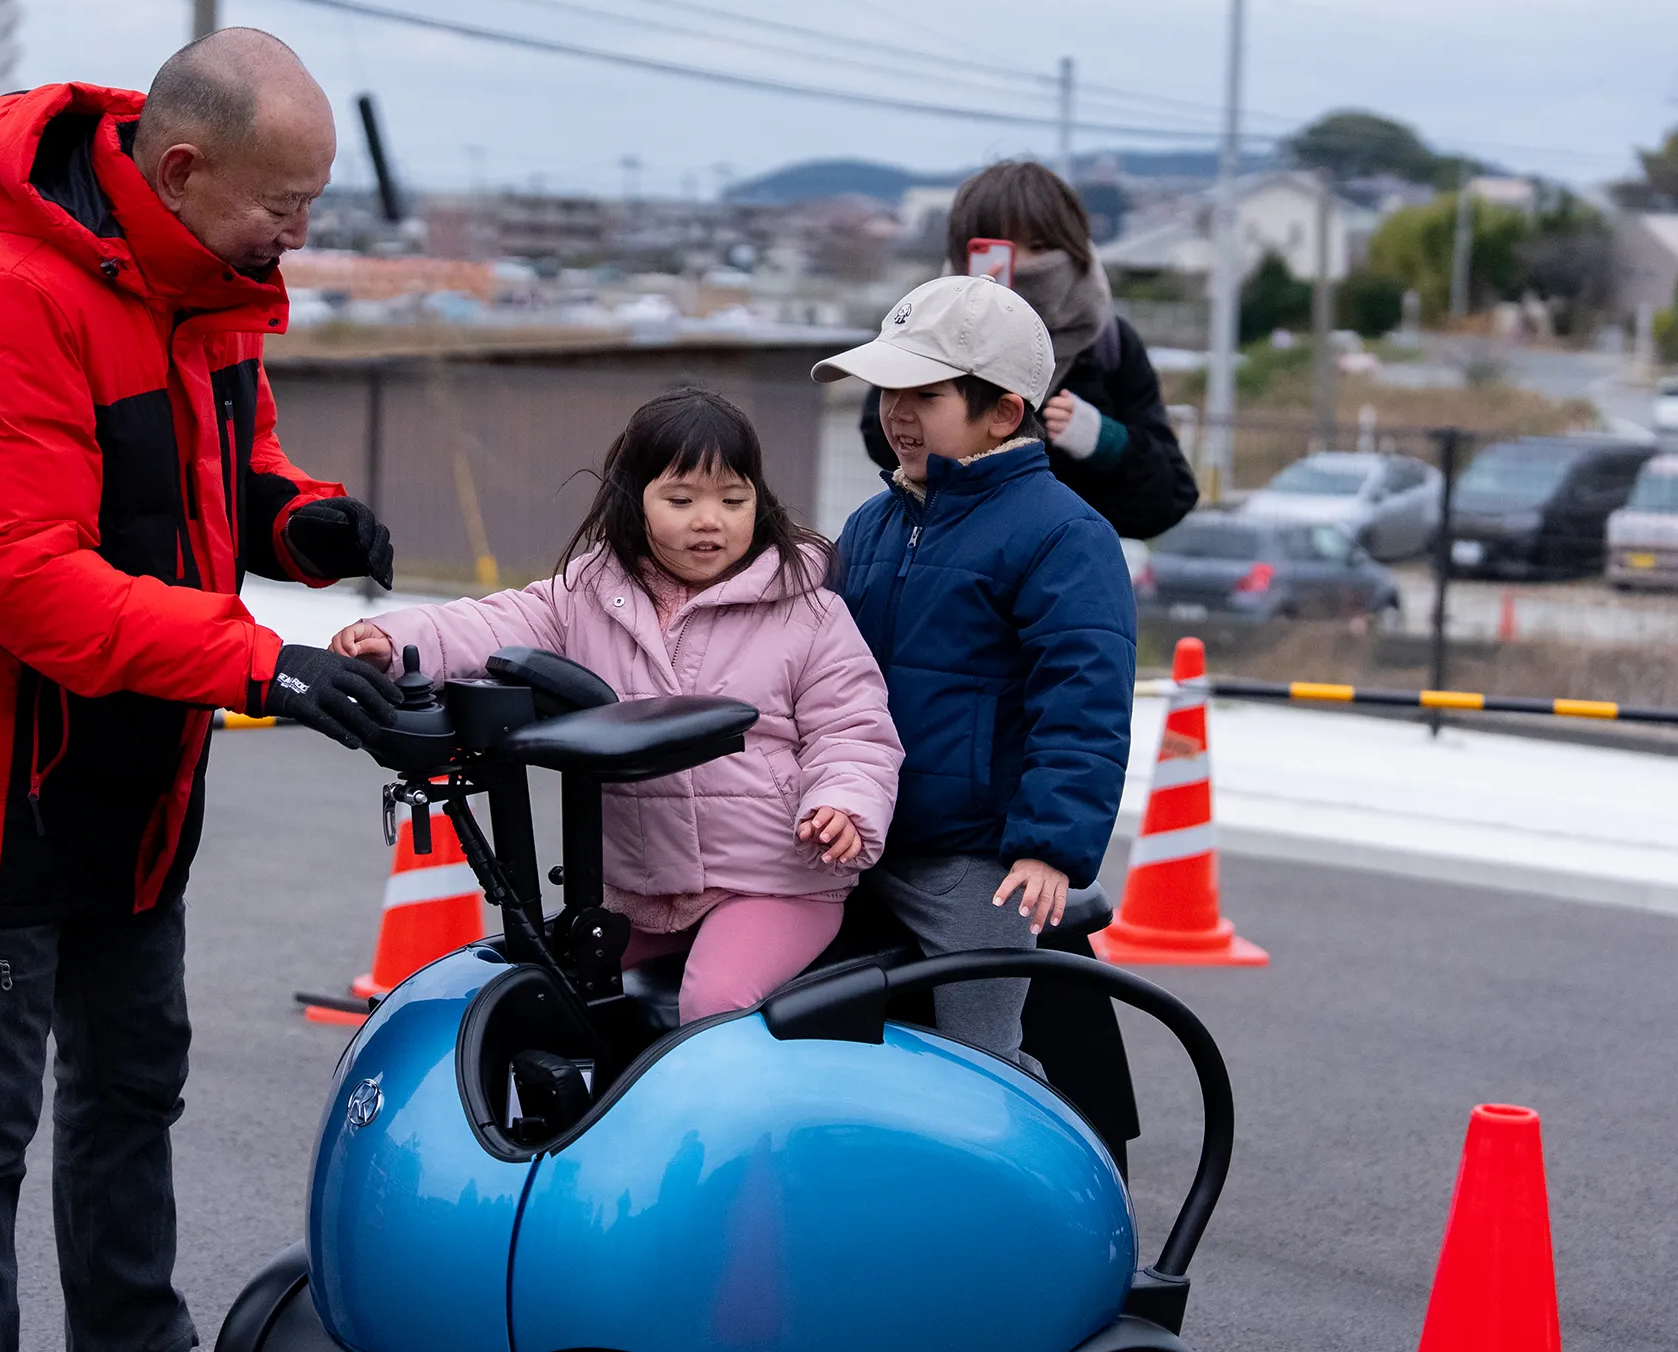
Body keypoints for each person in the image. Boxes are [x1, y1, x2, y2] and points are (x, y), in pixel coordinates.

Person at [0, 32, 403, 1352]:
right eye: (284, 203)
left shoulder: (205, 289)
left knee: (130, 1095)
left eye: (313, 202)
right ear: (180, 167)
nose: (300, 229)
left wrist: (298, 523)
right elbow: (20, 576)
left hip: (136, 783)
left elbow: (220, 475)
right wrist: (261, 662)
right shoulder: (4, 299)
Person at [333, 387, 902, 1025]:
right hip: (646, 892)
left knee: (712, 1002)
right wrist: (397, 642)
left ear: (759, 503)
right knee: (542, 986)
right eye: (682, 500)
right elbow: (493, 623)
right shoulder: (588, 595)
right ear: (635, 504)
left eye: (733, 499)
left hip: (776, 882)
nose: (709, 519)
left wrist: (843, 805)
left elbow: (854, 730)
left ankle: (709, 1125)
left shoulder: (807, 611)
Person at [814, 274, 1136, 1085]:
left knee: (977, 1052)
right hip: (859, 831)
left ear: (1002, 411)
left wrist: (1048, 848)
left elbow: (1084, 697)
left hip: (971, 853)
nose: (896, 413)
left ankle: (1018, 1163)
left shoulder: (1061, 533)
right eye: (888, 390)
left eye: (923, 393)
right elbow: (817, 669)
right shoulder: (873, 522)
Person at [857, 160, 1197, 541]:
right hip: (950, 563)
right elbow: (879, 434)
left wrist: (1107, 442)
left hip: (1063, 569)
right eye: (996, 246)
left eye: (1039, 246)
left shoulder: (1105, 342)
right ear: (961, 254)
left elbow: (1170, 498)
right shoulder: (929, 326)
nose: (1020, 265)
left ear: (1075, 249)